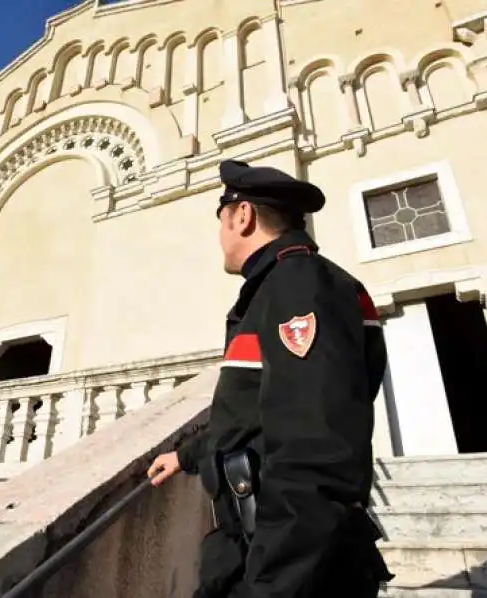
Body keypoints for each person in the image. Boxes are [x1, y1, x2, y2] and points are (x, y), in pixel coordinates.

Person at [147, 160, 394, 598]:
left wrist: (273, 581)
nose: (220, 237)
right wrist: (187, 455)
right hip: (259, 544)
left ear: (241, 216)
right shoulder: (279, 287)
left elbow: (315, 441)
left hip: (288, 558)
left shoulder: (300, 284)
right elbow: (258, 413)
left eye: (221, 221)